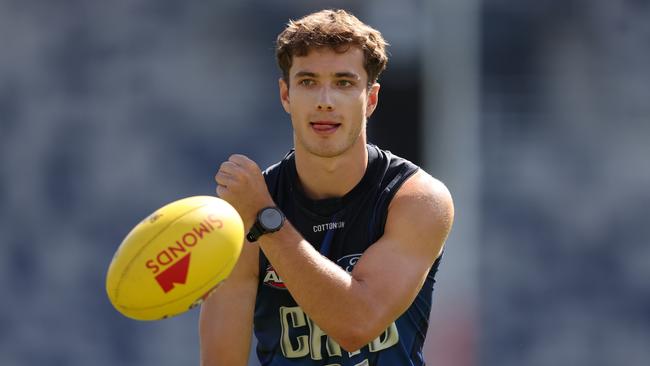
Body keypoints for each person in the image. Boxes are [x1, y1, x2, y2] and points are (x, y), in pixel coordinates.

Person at [199, 9, 454, 366]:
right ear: (286, 95)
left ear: (371, 99)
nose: (325, 100)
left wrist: (265, 219)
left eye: (344, 83)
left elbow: (355, 324)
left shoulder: (417, 199)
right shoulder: (245, 210)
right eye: (307, 82)